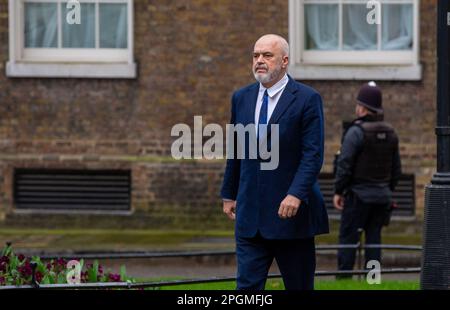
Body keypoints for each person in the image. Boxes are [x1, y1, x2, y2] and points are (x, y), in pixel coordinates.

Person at [220, 34, 329, 290]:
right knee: (246, 290)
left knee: (299, 287)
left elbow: (312, 155)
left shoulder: (307, 99)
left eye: (267, 55)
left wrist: (295, 194)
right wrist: (229, 193)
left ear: (285, 61)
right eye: (256, 55)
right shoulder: (241, 98)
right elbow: (235, 149)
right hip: (250, 216)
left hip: (290, 217)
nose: (259, 60)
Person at [333, 81, 402, 275]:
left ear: (362, 107)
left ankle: (344, 280)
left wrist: (339, 190)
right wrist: (387, 190)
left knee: (348, 240)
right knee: (374, 241)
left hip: (357, 197)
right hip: (381, 198)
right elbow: (397, 170)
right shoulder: (391, 133)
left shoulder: (356, 132)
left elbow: (344, 165)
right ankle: (373, 281)